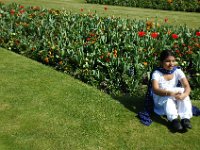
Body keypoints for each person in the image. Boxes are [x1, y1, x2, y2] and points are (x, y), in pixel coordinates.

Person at [151, 50, 192, 131]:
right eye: (168, 61)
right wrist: (169, 93)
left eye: (173, 61)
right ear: (161, 62)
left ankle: (185, 118)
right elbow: (155, 90)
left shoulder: (177, 71)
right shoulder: (157, 73)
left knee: (182, 91)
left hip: (174, 96)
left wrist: (184, 95)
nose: (171, 64)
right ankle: (174, 120)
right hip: (161, 98)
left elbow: (187, 86)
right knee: (169, 97)